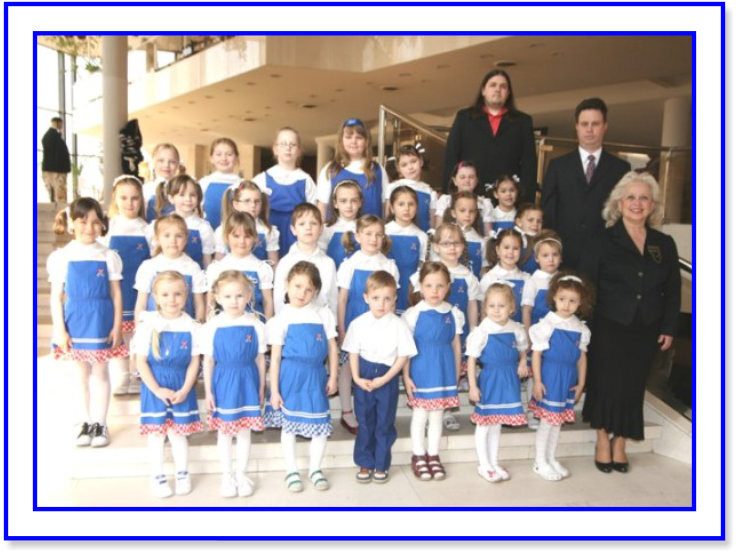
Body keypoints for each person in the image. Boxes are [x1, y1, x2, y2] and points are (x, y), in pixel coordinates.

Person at [580, 172, 680, 473]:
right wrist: (585, 326)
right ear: (619, 203)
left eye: (644, 198)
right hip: (607, 324)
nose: (637, 203)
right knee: (605, 383)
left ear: (653, 205)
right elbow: (588, 286)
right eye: (631, 197)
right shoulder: (602, 239)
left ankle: (621, 441)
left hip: (646, 327)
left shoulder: (664, 243)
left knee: (633, 386)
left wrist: (669, 327)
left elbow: (673, 289)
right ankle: (602, 439)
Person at [47, 198, 125, 447]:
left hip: (101, 319)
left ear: (102, 224)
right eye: (82, 222)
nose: (89, 228)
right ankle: (83, 422)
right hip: (75, 320)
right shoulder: (62, 257)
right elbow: (56, 296)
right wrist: (60, 329)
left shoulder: (108, 256)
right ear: (72, 223)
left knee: (100, 372)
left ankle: (100, 423)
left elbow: (116, 294)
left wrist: (117, 325)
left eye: (95, 222)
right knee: (79, 374)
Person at [264, 261, 339, 492]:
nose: (302, 293)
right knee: (289, 427)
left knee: (320, 423)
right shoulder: (281, 319)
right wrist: (274, 390)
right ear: (287, 284)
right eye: (297, 286)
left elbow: (332, 348)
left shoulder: (323, 314)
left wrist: (333, 376)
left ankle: (315, 468)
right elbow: (276, 358)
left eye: (308, 289)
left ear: (315, 292)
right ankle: (291, 470)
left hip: (315, 375)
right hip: (290, 377)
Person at [132, 271, 203, 498]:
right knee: (156, 435)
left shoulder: (192, 326)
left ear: (186, 295)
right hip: (155, 386)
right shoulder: (148, 324)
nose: (172, 299)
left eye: (177, 294)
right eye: (165, 294)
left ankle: (182, 473)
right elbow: (141, 362)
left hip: (182, 386)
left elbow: (194, 362)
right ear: (155, 297)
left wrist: (186, 389)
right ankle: (157, 476)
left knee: (178, 433)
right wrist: (156, 389)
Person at [342, 271, 417, 483]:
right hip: (364, 376)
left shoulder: (399, 325)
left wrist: (385, 379)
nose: (381, 304)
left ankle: (381, 464)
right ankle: (365, 462)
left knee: (384, 422)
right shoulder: (358, 324)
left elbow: (403, 356)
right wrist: (356, 378)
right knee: (365, 421)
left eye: (387, 298)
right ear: (366, 298)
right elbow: (353, 353)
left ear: (395, 299)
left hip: (387, 376)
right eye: (376, 298)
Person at [542, 98, 631, 269]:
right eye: (584, 124)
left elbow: (623, 214)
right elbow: (549, 211)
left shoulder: (620, 169)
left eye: (595, 124)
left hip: (605, 256)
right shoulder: (558, 166)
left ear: (605, 127)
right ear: (576, 127)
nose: (589, 129)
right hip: (564, 255)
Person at [201, 271, 267, 498]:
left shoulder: (255, 324)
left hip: (247, 381)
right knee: (225, 432)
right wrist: (208, 391)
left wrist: (261, 387)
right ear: (217, 297)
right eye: (228, 296)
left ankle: (242, 474)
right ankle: (227, 476)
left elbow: (260, 359)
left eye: (239, 295)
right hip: (223, 382)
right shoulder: (212, 326)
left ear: (248, 296)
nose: (234, 301)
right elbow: (208, 361)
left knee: (244, 431)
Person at [337, 214, 400, 435]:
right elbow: (342, 299)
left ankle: (374, 411)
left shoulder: (389, 265)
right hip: (355, 319)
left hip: (381, 323)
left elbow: (393, 301)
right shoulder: (350, 264)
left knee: (376, 364)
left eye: (378, 234)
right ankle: (347, 411)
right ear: (358, 236)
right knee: (348, 366)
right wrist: (342, 329)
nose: (373, 239)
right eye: (368, 234)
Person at [402, 262, 465, 481]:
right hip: (421, 369)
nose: (434, 291)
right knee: (420, 415)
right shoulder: (413, 314)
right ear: (420, 287)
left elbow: (456, 346)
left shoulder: (454, 313)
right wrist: (406, 376)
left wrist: (455, 374)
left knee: (437, 416)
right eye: (429, 285)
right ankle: (418, 455)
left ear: (448, 287)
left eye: (440, 286)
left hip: (443, 370)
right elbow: (406, 349)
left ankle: (433, 455)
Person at [529, 273, 593, 481]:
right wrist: (538, 381)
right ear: (554, 298)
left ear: (580, 303)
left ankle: (550, 458)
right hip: (551, 376)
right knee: (547, 422)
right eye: (562, 299)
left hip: (568, 378)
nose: (566, 305)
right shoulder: (547, 325)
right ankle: (540, 461)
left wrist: (581, 383)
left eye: (573, 301)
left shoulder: (580, 328)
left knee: (557, 422)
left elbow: (581, 358)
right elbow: (536, 354)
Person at [467, 282, 529, 483]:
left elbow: (522, 350)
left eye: (501, 306)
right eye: (491, 306)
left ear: (511, 308)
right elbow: (471, 360)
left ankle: (493, 462)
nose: (496, 310)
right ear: (485, 308)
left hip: (508, 379)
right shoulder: (482, 331)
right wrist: (473, 386)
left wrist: (522, 362)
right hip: (490, 380)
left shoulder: (516, 329)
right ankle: (483, 464)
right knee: (485, 424)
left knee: (497, 424)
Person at [443, 69, 537, 202]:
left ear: (508, 93)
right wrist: (449, 194)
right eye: (493, 85)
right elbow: (451, 156)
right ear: (483, 91)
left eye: (503, 86)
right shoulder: (464, 117)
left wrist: (527, 201)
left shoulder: (523, 121)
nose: (498, 89)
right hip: (469, 197)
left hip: (507, 198)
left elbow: (529, 163)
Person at [101, 175, 152, 395]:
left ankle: (138, 374)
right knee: (120, 334)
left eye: (134, 198)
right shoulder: (108, 228)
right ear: (115, 199)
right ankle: (122, 376)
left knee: (138, 335)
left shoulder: (148, 229)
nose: (129, 203)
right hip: (117, 290)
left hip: (139, 292)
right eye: (123, 198)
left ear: (141, 200)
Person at [253, 127, 318, 257]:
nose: (288, 148)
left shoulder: (306, 180)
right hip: (269, 233)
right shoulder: (262, 179)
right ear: (275, 149)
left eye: (292, 144)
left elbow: (314, 214)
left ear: (299, 150)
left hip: (296, 235)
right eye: (283, 144)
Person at [134, 214, 208, 323]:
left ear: (185, 239)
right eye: (167, 235)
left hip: (183, 328)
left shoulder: (192, 267)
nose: (173, 240)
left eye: (179, 236)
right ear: (157, 239)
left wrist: (199, 327)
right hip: (155, 328)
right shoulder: (149, 266)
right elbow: (141, 304)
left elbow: (199, 304)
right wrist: (140, 329)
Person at [317, 118, 389, 220]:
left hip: (371, 228)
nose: (353, 141)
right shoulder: (331, 170)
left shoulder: (378, 170)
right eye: (348, 137)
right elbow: (322, 207)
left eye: (359, 138)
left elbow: (385, 205)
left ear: (366, 141)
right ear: (341, 140)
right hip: (338, 229)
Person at [273, 203, 338, 316]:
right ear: (293, 229)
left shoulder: (328, 263)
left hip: (320, 321)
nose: (308, 228)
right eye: (302, 224)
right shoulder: (285, 262)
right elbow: (279, 300)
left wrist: (333, 323)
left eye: (313, 223)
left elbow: (333, 300)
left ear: (321, 229)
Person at [206, 212, 274, 319]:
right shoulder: (217, 268)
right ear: (226, 236)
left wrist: (268, 324)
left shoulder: (261, 268)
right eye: (236, 236)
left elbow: (267, 301)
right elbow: (211, 302)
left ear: (255, 238)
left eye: (247, 236)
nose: (242, 241)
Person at [385, 186, 428, 315]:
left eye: (411, 204)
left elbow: (422, 265)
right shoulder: (383, 232)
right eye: (401, 204)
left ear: (417, 208)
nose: (406, 208)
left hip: (410, 286)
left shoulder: (421, 236)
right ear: (392, 208)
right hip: (386, 285)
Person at [216, 180, 280, 267]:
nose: (253, 205)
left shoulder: (268, 231)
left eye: (257, 201)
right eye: (247, 201)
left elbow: (273, 264)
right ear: (236, 204)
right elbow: (219, 262)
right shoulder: (223, 229)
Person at [163, 175, 215, 269]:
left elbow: (207, 259)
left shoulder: (203, 227)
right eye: (182, 195)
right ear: (171, 198)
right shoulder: (163, 224)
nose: (188, 199)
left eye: (192, 195)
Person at [384, 144, 437, 232]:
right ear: (398, 169)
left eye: (413, 161)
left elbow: (432, 221)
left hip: (423, 235)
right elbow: (387, 214)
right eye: (404, 165)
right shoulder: (393, 187)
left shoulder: (429, 191)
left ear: (421, 161)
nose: (410, 167)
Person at [480, 229, 530, 323]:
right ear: (498, 250)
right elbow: (483, 311)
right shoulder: (489, 278)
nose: (511, 252)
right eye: (506, 247)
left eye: (515, 248)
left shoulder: (526, 279)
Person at [435, 161, 494, 236]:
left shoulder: (484, 203)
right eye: (462, 177)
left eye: (471, 177)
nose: (467, 180)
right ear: (454, 181)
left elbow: (488, 235)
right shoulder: (445, 201)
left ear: (477, 180)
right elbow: (438, 230)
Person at [318, 179, 362, 269]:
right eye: (343, 201)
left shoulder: (366, 228)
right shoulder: (327, 229)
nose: (349, 205)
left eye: (353, 201)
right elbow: (321, 257)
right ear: (335, 203)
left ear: (360, 203)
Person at [199, 137, 242, 230]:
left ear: (236, 158)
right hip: (209, 233)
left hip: (236, 234)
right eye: (219, 154)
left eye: (229, 154)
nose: (224, 158)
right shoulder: (204, 183)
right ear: (211, 158)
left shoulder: (242, 184)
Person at [442, 192, 487, 277]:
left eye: (471, 211)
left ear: (476, 213)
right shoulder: (444, 236)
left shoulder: (481, 241)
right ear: (453, 213)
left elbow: (483, 269)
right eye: (462, 210)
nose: (467, 215)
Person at [143, 143, 180, 222]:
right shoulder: (145, 189)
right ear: (153, 162)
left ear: (177, 164)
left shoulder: (182, 188)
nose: (166, 165)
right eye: (161, 161)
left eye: (172, 162)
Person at [41, 116, 71, 203]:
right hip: (55, 170)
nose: (62, 126)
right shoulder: (50, 136)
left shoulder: (55, 137)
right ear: (56, 123)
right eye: (61, 124)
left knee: (59, 194)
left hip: (57, 169)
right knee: (58, 194)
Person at [514, 203, 544, 274]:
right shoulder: (514, 239)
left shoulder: (542, 241)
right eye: (530, 220)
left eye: (539, 221)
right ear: (519, 222)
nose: (535, 224)